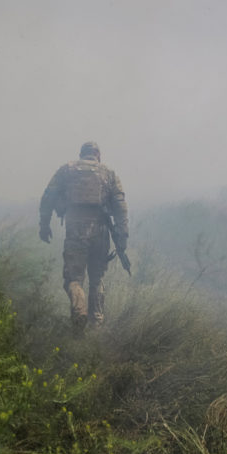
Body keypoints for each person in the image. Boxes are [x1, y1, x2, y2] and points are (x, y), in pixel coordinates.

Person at [39, 142, 129, 332]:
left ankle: (79, 312)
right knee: (97, 278)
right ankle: (96, 324)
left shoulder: (67, 170)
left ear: (81, 154)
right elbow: (120, 207)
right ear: (98, 155)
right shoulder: (109, 173)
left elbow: (48, 196)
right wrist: (122, 238)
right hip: (101, 231)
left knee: (73, 279)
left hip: (76, 230)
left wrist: (44, 225)